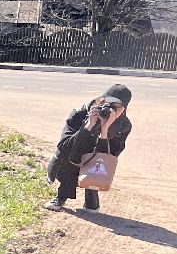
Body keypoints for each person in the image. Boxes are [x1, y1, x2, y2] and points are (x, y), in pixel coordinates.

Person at [44, 83, 133, 212]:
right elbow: (64, 147)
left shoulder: (123, 126)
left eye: (116, 107)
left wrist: (104, 131)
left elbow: (110, 157)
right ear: (100, 101)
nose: (109, 110)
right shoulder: (80, 113)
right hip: (72, 157)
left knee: (99, 164)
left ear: (123, 110)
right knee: (68, 158)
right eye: (106, 104)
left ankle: (91, 194)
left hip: (94, 162)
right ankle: (62, 195)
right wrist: (88, 126)